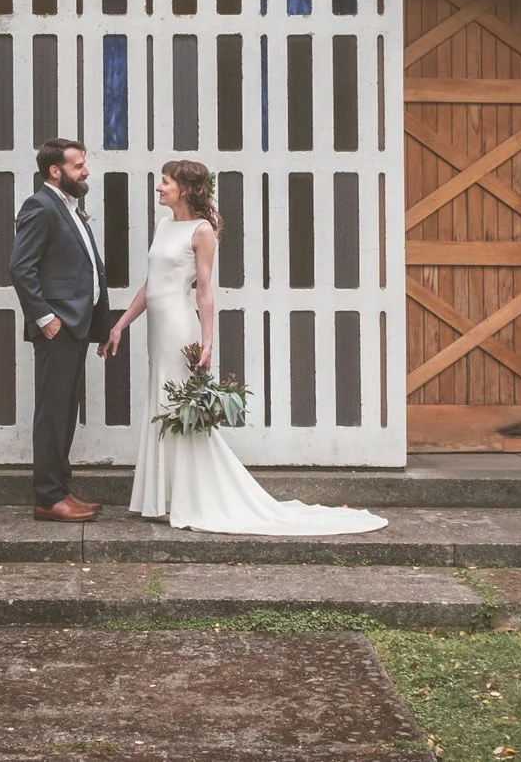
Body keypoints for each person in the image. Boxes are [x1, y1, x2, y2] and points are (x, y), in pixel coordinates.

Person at [103, 159, 387, 536]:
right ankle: (163, 497)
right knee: (162, 404)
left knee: (179, 408)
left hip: (178, 328)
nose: (159, 187)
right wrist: (120, 324)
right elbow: (150, 284)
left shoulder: (203, 231)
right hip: (157, 329)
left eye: (166, 182)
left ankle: (189, 497)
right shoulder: (163, 226)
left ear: (184, 189)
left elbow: (204, 291)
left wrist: (208, 342)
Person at [8, 136, 109, 521]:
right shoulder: (40, 206)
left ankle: (60, 489)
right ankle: (48, 497)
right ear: (55, 171)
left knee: (65, 412)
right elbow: (21, 268)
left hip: (76, 325)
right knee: (52, 413)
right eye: (78, 166)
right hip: (58, 326)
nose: (85, 172)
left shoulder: (68, 206)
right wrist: (45, 318)